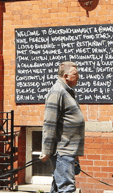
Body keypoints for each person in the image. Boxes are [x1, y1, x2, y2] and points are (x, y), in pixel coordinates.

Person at [40, 61, 85, 193]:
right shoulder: (57, 92)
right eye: (75, 74)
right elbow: (49, 123)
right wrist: (47, 150)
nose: (78, 77)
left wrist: (75, 153)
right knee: (66, 188)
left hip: (68, 150)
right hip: (62, 151)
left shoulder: (66, 91)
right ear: (66, 76)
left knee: (57, 188)